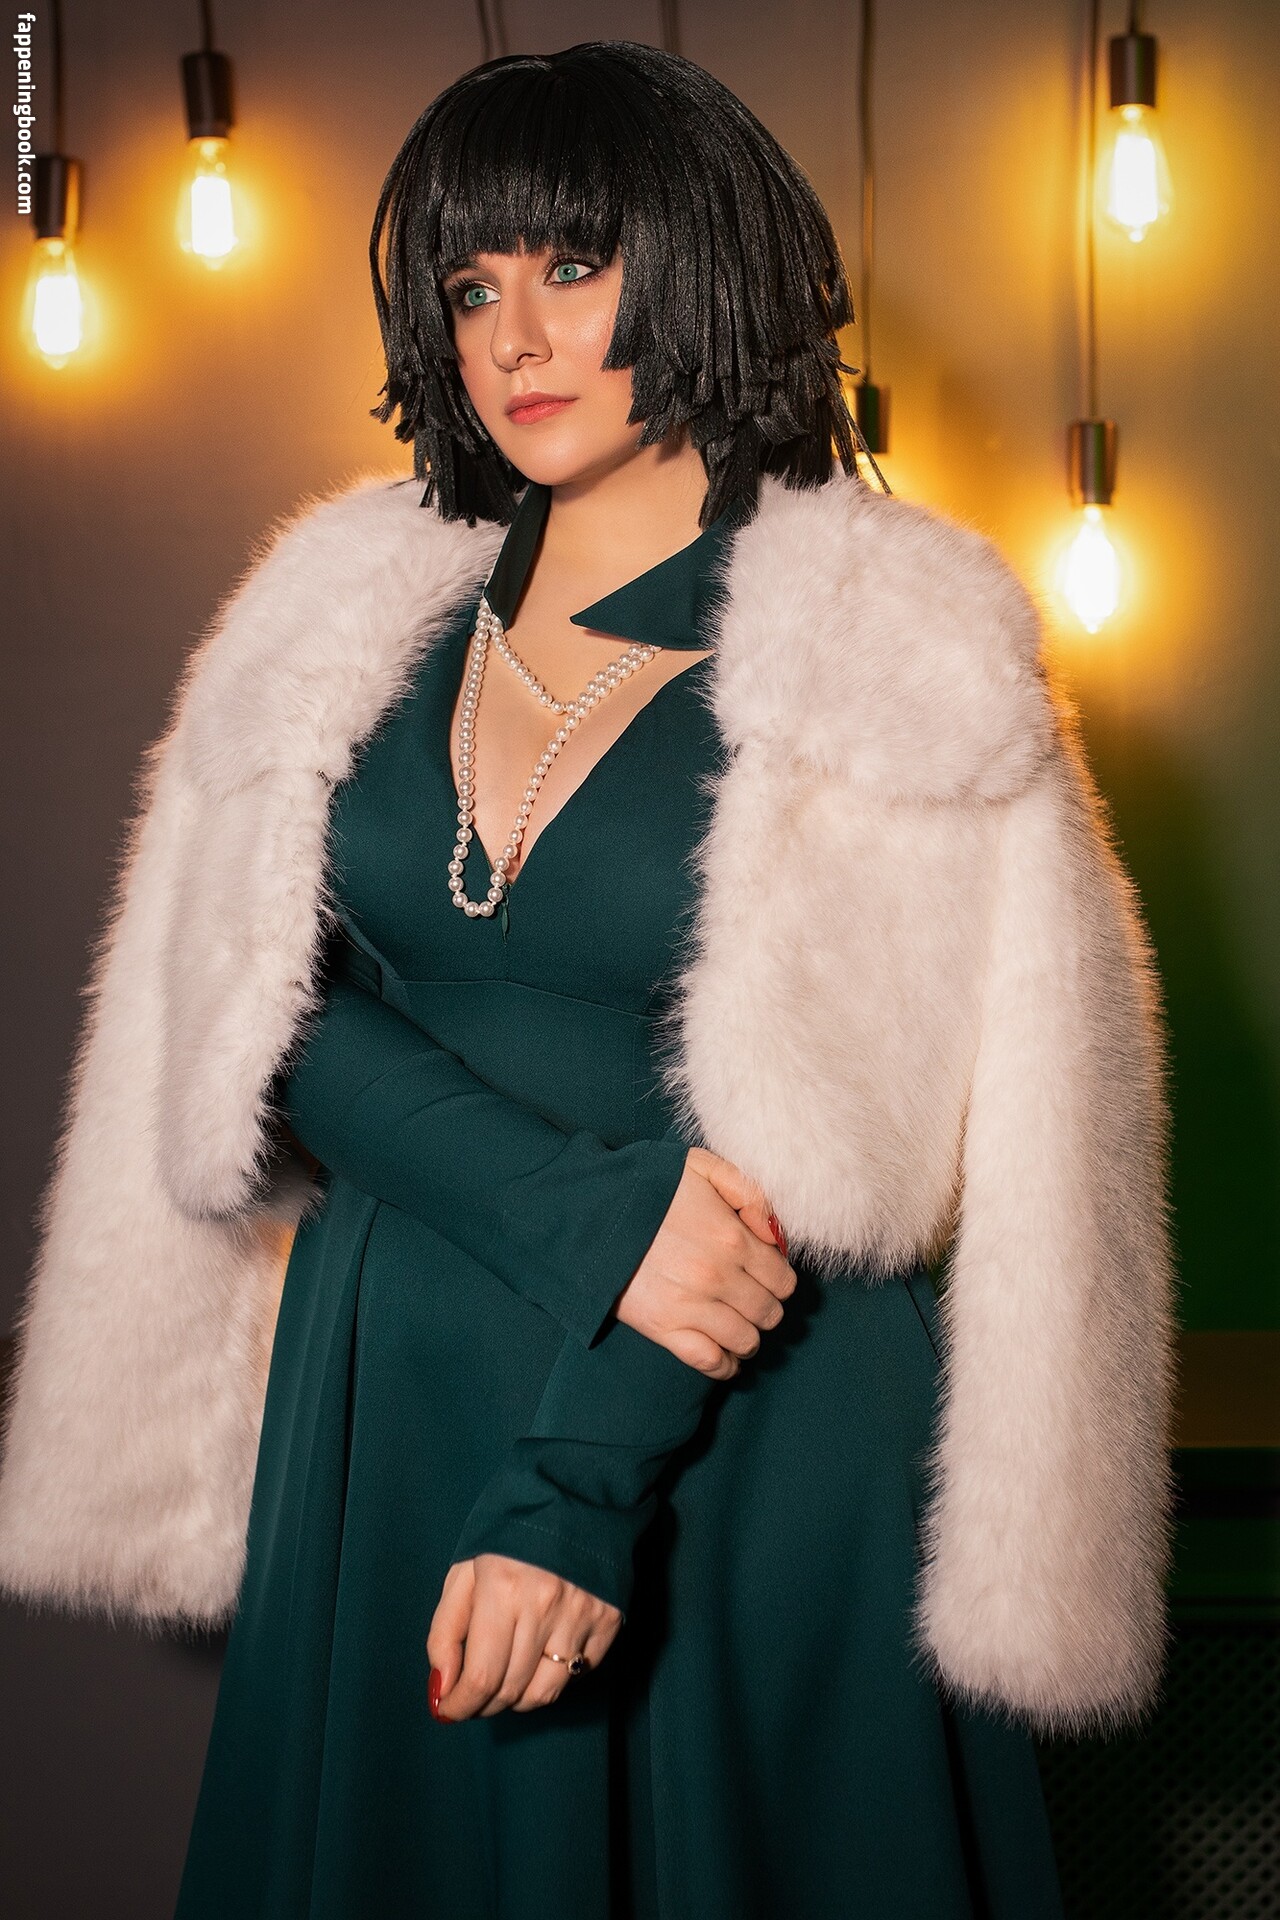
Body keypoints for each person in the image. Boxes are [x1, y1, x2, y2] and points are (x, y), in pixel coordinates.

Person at [0, 41, 1177, 1920]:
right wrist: (573, 1209)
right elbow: (247, 1012)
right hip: (388, 1401)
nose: (517, 338)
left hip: (736, 1436)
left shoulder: (890, 643)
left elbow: (843, 1152)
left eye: (572, 266)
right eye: (472, 288)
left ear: (701, 265)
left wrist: (575, 1489)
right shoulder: (342, 616)